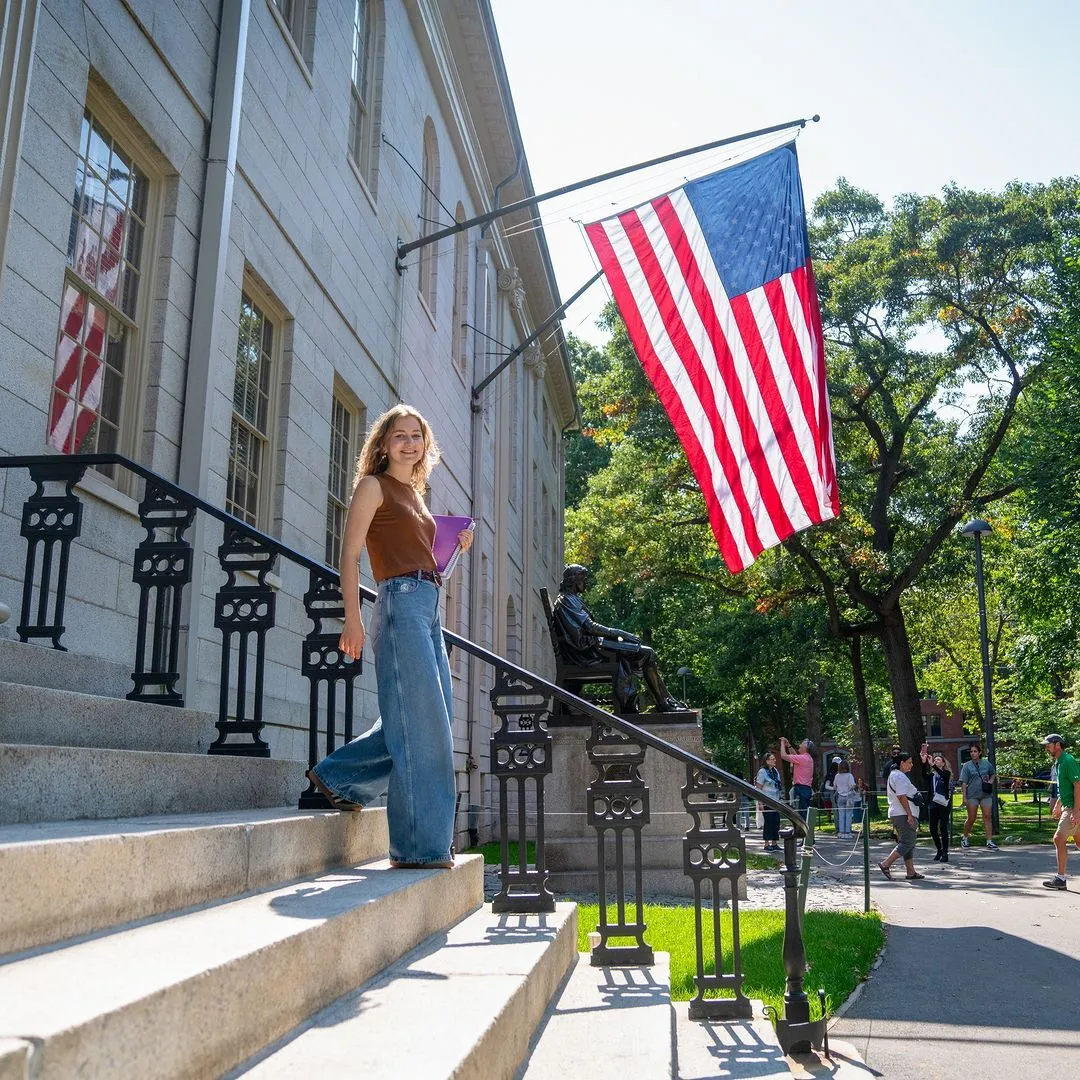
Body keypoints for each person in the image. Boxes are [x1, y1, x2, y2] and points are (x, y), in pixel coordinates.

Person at [305, 405, 473, 870]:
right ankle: (420, 848)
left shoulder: (415, 494)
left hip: (427, 603)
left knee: (424, 717)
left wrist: (452, 548)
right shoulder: (372, 486)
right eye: (399, 435)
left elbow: (421, 560)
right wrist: (352, 618)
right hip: (397, 601)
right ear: (383, 444)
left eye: (416, 435)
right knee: (426, 725)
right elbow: (350, 553)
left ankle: (340, 778)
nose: (409, 443)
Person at [550, 564, 687, 713]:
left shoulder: (572, 599)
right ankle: (661, 703)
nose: (586, 583)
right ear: (574, 580)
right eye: (584, 579)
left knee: (644, 653)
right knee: (646, 653)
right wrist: (622, 634)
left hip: (591, 648)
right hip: (585, 653)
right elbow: (590, 627)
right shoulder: (567, 600)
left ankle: (663, 701)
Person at [1042, 734, 1080, 890]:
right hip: (1068, 805)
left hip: (1074, 806)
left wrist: (1076, 810)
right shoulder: (1058, 762)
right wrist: (1058, 803)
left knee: (1058, 839)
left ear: (1057, 745)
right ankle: (1061, 878)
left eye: (1048, 745)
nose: (1046, 747)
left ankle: (1060, 878)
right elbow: (1065, 787)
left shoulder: (1068, 761)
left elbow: (1078, 785)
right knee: (1078, 841)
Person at [878, 752, 925, 881]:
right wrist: (909, 815)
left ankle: (911, 871)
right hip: (903, 813)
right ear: (902, 763)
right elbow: (901, 796)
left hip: (900, 812)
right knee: (908, 842)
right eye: (909, 762)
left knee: (908, 842)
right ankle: (885, 864)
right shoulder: (899, 777)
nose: (911, 765)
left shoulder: (896, 776)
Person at [959, 742, 998, 850]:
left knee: (987, 816)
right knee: (972, 818)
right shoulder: (967, 766)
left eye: (975, 751)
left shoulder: (986, 764)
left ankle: (989, 841)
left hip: (985, 794)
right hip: (972, 795)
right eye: (971, 752)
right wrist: (964, 796)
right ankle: (965, 838)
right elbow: (963, 782)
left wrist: (990, 780)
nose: (973, 753)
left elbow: (993, 773)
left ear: (979, 752)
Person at [920, 744, 953, 862]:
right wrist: (924, 763)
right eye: (934, 760)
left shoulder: (946, 774)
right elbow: (924, 775)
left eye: (938, 759)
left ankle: (945, 852)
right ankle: (939, 849)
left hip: (943, 804)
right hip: (933, 803)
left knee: (943, 828)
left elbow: (944, 776)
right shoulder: (932, 775)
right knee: (933, 829)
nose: (935, 760)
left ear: (943, 763)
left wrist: (933, 765)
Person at [779, 736, 815, 821]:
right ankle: (803, 831)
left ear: (805, 747)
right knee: (803, 812)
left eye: (802, 743)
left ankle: (801, 832)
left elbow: (783, 756)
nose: (800, 744)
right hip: (806, 789)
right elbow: (795, 755)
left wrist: (782, 743)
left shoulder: (803, 758)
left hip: (801, 789)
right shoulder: (807, 758)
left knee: (800, 814)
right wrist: (788, 745)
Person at [755, 751, 783, 852]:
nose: (775, 760)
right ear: (767, 761)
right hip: (767, 800)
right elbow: (758, 788)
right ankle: (766, 844)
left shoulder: (775, 771)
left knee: (776, 821)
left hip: (776, 800)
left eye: (774, 759)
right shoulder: (762, 772)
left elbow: (778, 786)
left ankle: (774, 843)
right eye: (772, 759)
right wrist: (760, 802)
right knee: (768, 822)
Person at [833, 759, 858, 838]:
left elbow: (835, 786)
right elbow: (852, 786)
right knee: (848, 815)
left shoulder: (837, 776)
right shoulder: (849, 775)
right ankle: (847, 832)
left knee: (841, 815)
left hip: (840, 796)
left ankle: (841, 832)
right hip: (849, 796)